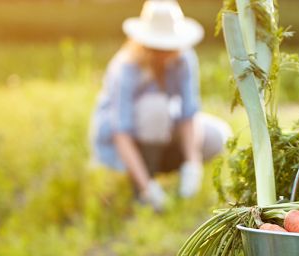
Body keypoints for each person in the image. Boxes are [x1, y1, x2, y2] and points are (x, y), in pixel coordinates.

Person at [89, 0, 231, 212]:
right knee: (154, 108)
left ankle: (176, 182)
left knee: (217, 135)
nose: (165, 53)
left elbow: (188, 114)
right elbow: (121, 133)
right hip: (124, 146)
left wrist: (193, 164)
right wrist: (147, 186)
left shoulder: (184, 60)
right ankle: (144, 186)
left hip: (161, 131)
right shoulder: (126, 68)